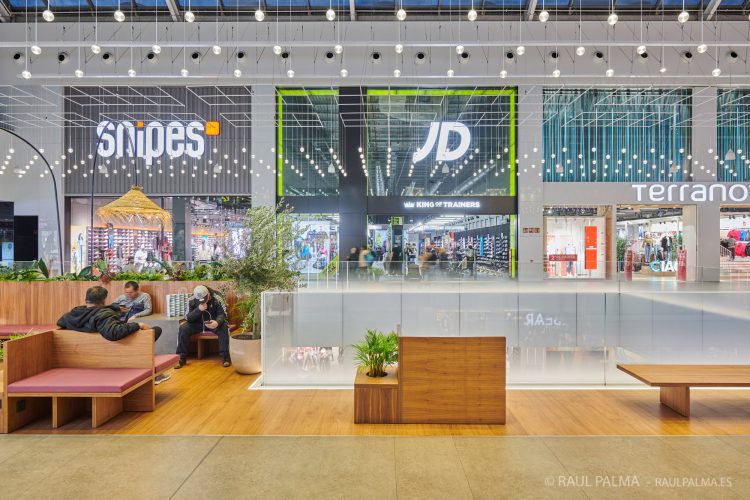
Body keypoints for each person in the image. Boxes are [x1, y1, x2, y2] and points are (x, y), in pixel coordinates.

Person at [57, 285, 161, 342]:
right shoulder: (103, 315)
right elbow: (113, 333)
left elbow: (60, 322)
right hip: (114, 349)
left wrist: (115, 308)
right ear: (103, 300)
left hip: (83, 350)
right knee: (156, 330)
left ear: (86, 299)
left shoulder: (72, 314)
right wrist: (138, 325)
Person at [175, 285, 231, 368]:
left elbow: (223, 314)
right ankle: (181, 358)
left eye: (205, 298)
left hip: (213, 322)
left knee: (223, 327)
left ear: (208, 294)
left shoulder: (217, 298)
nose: (202, 301)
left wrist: (217, 322)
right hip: (197, 324)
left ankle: (225, 358)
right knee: (183, 328)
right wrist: (198, 310)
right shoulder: (191, 299)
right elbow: (188, 317)